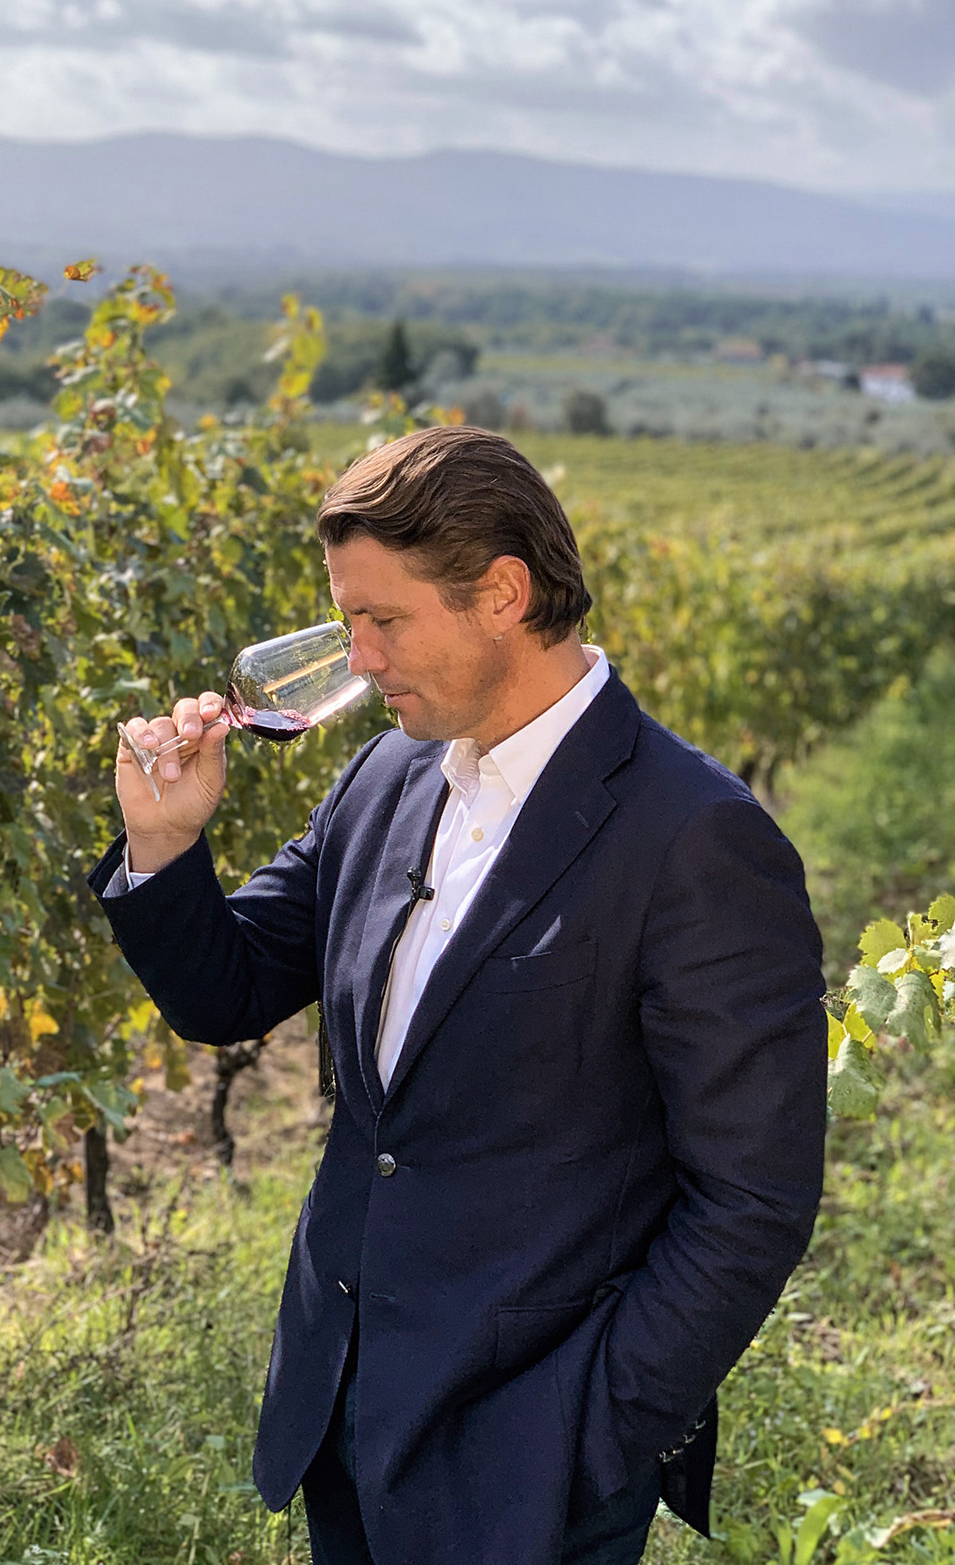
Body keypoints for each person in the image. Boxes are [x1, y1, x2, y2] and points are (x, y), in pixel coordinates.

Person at [90, 427, 826, 1565]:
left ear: (502, 595)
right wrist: (165, 844)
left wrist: (592, 1432)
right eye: (345, 619)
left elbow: (752, 1200)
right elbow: (227, 992)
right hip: (343, 1412)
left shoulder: (696, 838)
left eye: (384, 619)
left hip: (533, 1462)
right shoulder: (387, 773)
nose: (360, 656)